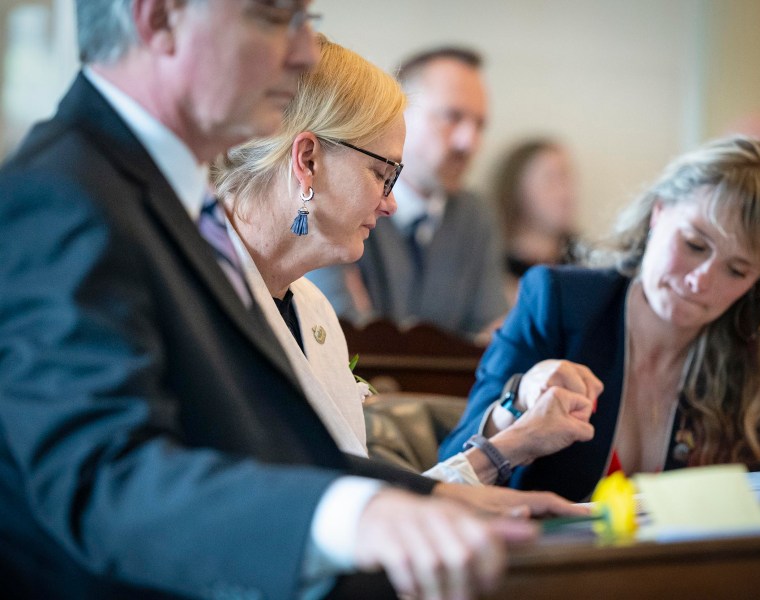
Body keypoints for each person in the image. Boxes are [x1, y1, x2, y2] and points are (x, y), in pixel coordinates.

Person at [0, 2, 579, 599]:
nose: (302, 51)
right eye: (275, 18)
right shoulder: (61, 196)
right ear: (160, 19)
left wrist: (448, 494)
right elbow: (105, 479)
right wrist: (360, 517)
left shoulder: (167, 205)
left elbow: (261, 454)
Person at [211, 34, 597, 491]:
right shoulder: (195, 289)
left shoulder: (312, 310)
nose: (390, 203)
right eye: (382, 173)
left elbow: (357, 502)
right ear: (308, 160)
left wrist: (509, 447)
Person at [440, 136, 760, 502]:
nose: (700, 280)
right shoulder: (559, 300)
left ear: (759, 282)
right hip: (549, 556)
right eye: (694, 245)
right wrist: (518, 401)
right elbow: (449, 468)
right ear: (658, 212)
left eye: (737, 270)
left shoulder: (756, 361)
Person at [306, 46, 508, 341]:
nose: (470, 142)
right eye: (452, 117)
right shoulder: (337, 197)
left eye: (479, 125)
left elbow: (488, 344)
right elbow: (340, 334)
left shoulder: (476, 217)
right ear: (400, 112)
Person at [493, 138, 581, 303]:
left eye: (567, 178)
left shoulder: (588, 260)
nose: (565, 193)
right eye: (550, 179)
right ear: (517, 190)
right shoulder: (492, 264)